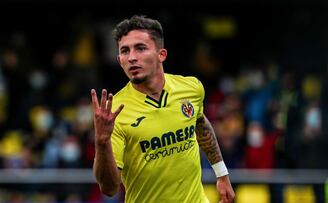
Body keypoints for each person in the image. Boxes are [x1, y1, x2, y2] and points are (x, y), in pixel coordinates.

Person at [91, 15, 235, 203]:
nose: (132, 57)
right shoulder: (115, 112)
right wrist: (102, 142)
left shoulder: (191, 88)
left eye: (140, 48)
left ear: (161, 54)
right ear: (119, 60)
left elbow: (200, 123)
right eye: (125, 51)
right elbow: (109, 189)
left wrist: (221, 173)